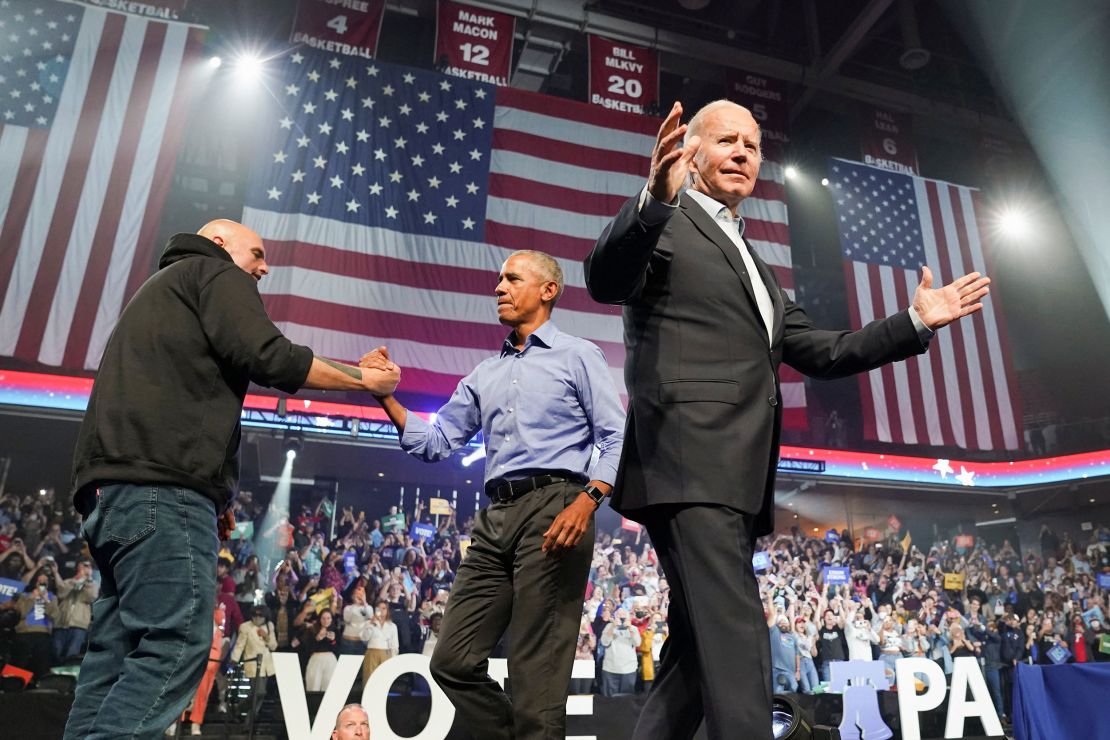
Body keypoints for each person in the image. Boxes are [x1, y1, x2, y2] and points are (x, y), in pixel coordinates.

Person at [583, 99, 991, 739]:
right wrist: (654, 200)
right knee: (740, 629)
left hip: (736, 477)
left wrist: (915, 321)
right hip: (690, 464)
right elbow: (605, 278)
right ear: (691, 155)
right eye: (726, 141)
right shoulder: (668, 220)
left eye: (752, 143)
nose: (744, 151)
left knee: (696, 654)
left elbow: (824, 351)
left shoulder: (753, 262)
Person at [63, 219, 400, 740]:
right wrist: (364, 379)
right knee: (177, 641)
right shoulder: (213, 273)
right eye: (258, 254)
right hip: (162, 490)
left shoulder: (158, 294)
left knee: (114, 653)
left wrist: (214, 493)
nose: (263, 268)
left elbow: (175, 399)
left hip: (112, 495)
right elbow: (271, 356)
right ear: (219, 243)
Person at [363, 250, 624, 739]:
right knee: (452, 659)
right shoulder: (483, 373)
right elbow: (436, 442)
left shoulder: (578, 355)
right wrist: (387, 397)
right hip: (495, 517)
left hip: (558, 505)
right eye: (499, 279)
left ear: (549, 290)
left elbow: (615, 435)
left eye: (512, 279)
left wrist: (587, 500)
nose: (498, 287)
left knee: (535, 670)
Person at [53, 557, 99, 663]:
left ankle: (67, 677)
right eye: (84, 565)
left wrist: (88, 579)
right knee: (56, 653)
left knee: (71, 655)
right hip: (61, 623)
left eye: (88, 566)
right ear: (78, 566)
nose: (85, 568)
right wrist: (75, 581)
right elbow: (61, 593)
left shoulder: (93, 584)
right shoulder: (69, 581)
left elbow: (91, 597)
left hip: (79, 625)